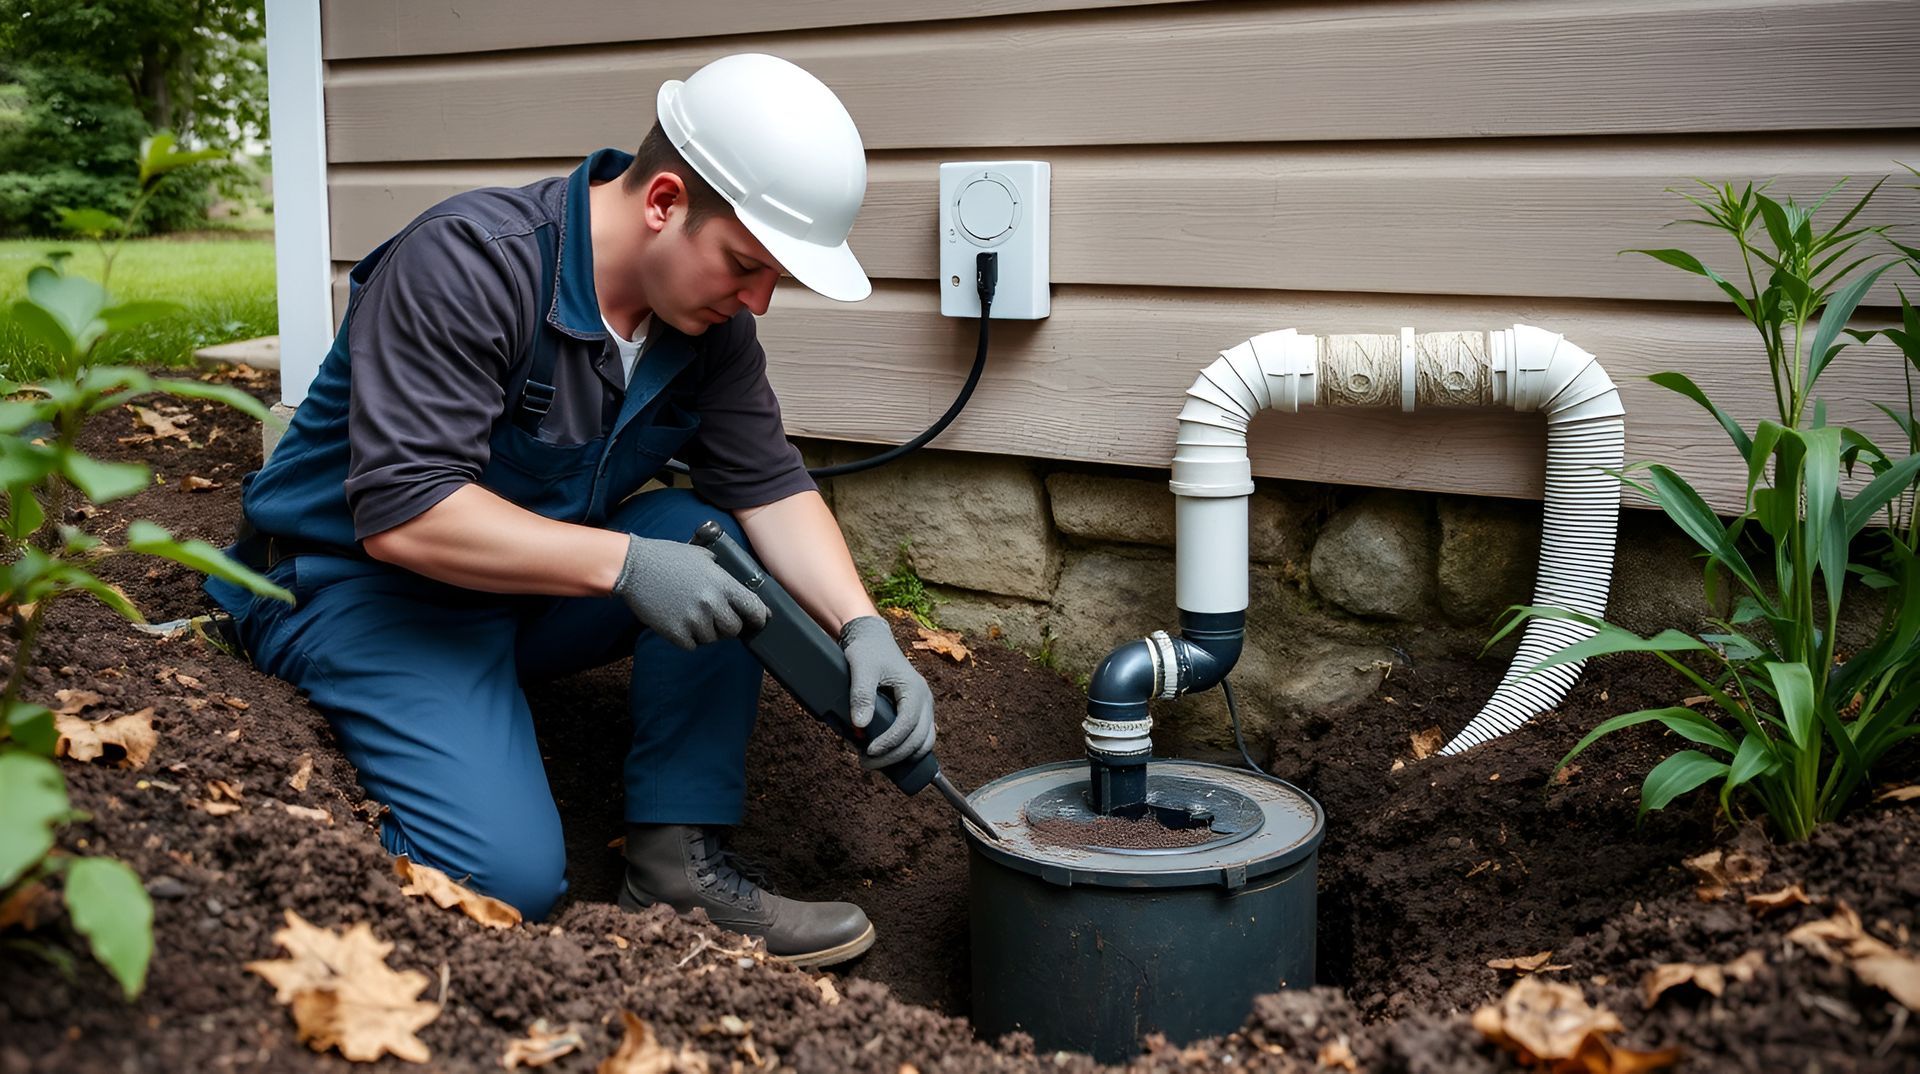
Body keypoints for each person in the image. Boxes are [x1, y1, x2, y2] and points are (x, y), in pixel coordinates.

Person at [203, 53, 934, 969]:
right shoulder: (473, 263)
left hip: (511, 591)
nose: (759, 300)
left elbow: (769, 484)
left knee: (712, 538)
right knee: (501, 884)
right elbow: (405, 512)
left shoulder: (704, 325)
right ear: (663, 201)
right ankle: (294, 867)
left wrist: (863, 629)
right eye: (747, 265)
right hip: (355, 588)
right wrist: (624, 568)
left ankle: (676, 870)